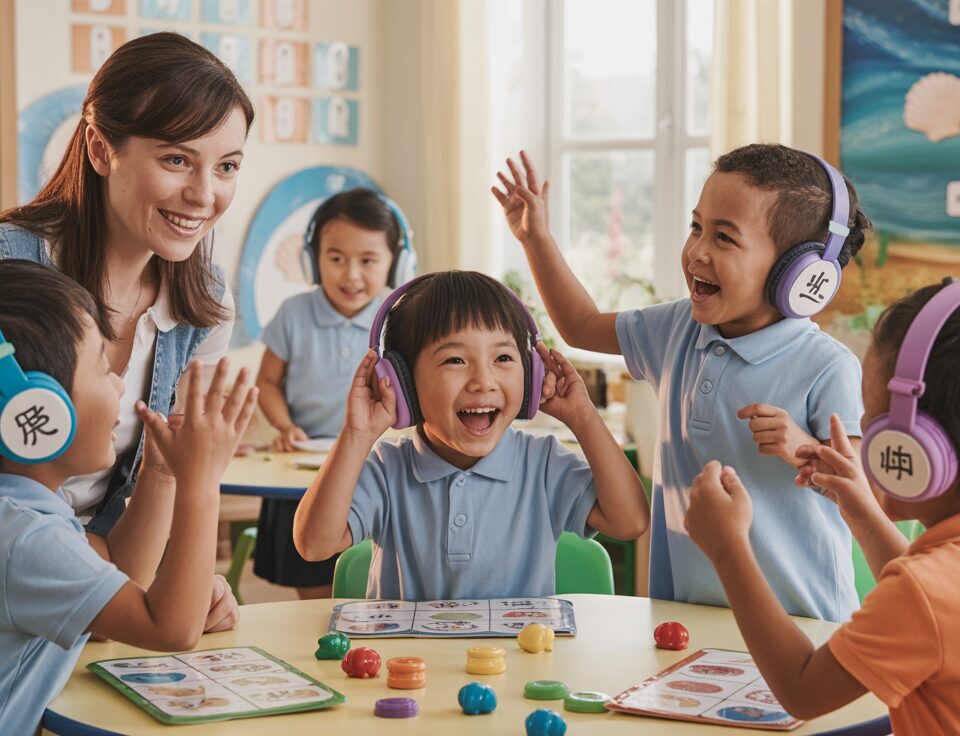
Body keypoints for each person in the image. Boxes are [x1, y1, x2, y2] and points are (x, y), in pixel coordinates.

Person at [492, 145, 871, 621]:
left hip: (802, 624)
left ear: (797, 274)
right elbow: (581, 324)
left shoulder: (826, 365)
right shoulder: (676, 328)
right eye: (697, 227)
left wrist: (802, 450)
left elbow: (857, 491)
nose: (697, 252)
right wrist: (535, 238)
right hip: (689, 619)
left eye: (725, 238)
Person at [0, 32, 254, 626]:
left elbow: (164, 479)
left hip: (93, 582)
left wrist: (178, 583)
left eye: (228, 166)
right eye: (176, 159)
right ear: (98, 147)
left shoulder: (205, 302)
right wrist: (104, 580)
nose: (204, 194)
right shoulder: (11, 269)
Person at [685, 279, 960, 732]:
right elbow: (931, 602)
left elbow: (802, 690)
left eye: (872, 423)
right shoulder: (935, 581)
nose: (862, 442)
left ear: (914, 445)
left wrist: (728, 547)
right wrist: (858, 506)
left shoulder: (922, 592)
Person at [0, 260, 258, 734]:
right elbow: (169, 629)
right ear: (38, 413)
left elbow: (115, 570)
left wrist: (161, 473)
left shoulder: (22, 510)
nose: (120, 385)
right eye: (103, 368)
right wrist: (202, 482)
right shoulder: (26, 537)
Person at [292, 271, 649, 599]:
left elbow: (629, 521)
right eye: (455, 361)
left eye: (503, 358)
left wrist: (583, 417)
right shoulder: (387, 469)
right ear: (403, 383)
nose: (483, 381)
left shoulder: (543, 464)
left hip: (514, 666)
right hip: (408, 667)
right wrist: (357, 434)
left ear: (530, 374)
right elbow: (314, 545)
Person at [254, 189, 404, 599]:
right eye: (336, 259)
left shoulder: (401, 321)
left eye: (368, 261)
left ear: (396, 261)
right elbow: (267, 382)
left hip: (375, 464)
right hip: (305, 469)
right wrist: (285, 426)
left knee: (379, 576)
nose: (351, 275)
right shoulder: (293, 314)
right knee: (317, 580)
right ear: (313, 259)